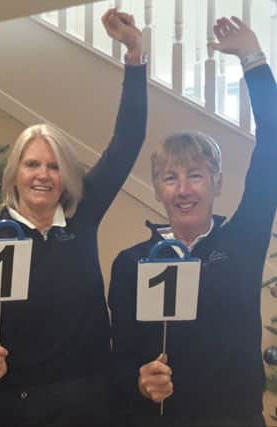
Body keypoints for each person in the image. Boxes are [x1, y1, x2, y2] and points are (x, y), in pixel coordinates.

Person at [0, 9, 147, 427]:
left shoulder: (81, 218)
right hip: (16, 403)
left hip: (91, 399)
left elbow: (127, 142)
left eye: (53, 165)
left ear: (65, 177)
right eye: (31, 165)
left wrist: (135, 57)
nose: (42, 175)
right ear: (15, 173)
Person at [109, 17, 276, 427]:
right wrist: (138, 379)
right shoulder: (131, 264)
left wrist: (253, 59)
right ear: (158, 190)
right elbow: (119, 359)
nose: (183, 189)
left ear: (216, 184)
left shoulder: (243, 241)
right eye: (171, 178)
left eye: (195, 175)